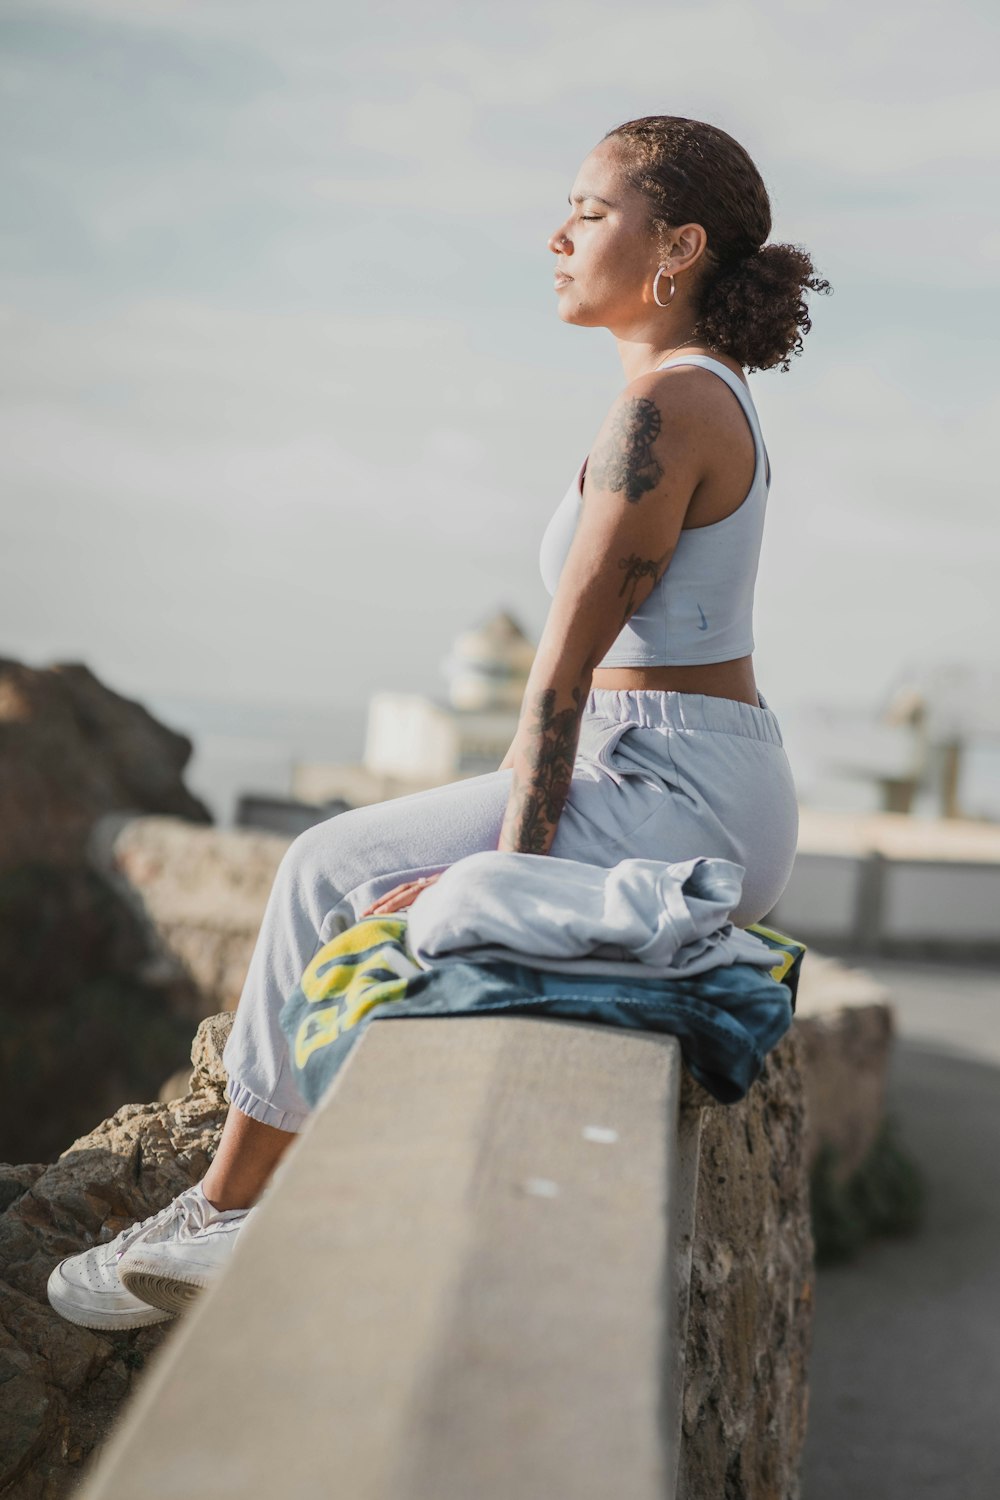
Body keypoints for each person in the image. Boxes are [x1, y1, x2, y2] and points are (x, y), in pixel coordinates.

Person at [47, 114, 830, 1331]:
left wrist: (497, 878)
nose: (555, 236)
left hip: (667, 784)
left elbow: (560, 677)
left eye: (587, 210)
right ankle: (238, 1206)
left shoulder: (665, 410)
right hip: (686, 771)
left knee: (322, 870)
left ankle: (231, 1213)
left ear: (675, 247)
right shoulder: (686, 396)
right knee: (362, 877)